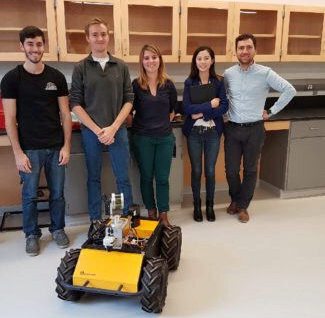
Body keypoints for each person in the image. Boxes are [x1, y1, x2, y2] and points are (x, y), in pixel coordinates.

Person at [1, 26, 71, 256]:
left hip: (55, 146)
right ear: (22, 46)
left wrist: (67, 146)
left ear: (44, 46)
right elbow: (10, 119)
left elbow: (65, 114)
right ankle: (31, 234)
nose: (35, 49)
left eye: (39, 44)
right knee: (30, 194)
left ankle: (58, 229)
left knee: (58, 193)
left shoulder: (56, 77)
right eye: (30, 44)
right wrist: (18, 153)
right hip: (29, 148)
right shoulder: (12, 79)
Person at [70, 18, 134, 235]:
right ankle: (96, 221)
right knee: (94, 177)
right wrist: (99, 131)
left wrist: (114, 127)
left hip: (118, 130)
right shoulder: (80, 68)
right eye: (95, 34)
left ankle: (125, 219)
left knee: (122, 176)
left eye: (103, 34)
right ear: (88, 38)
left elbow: (129, 99)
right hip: (91, 133)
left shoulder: (121, 66)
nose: (100, 38)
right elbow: (75, 103)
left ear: (109, 36)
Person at [223, 33, 296, 223]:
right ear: (236, 51)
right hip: (232, 128)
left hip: (255, 129)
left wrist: (271, 111)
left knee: (250, 169)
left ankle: (243, 206)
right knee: (231, 170)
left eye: (248, 47)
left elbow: (290, 90)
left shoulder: (265, 73)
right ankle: (235, 200)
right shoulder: (228, 74)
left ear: (255, 49)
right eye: (241, 48)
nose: (245, 51)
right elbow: (222, 98)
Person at [129, 44, 176, 226]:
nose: (151, 61)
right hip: (143, 139)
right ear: (142, 61)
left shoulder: (168, 84)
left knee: (163, 178)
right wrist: (142, 128)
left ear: (159, 60)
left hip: (165, 138)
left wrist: (161, 125)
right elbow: (129, 113)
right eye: (147, 58)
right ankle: (151, 211)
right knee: (147, 177)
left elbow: (172, 111)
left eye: (154, 57)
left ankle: (163, 215)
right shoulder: (135, 85)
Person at [182, 46, 229, 222]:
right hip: (194, 132)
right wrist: (210, 105)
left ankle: (209, 205)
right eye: (199, 58)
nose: (203, 61)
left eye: (206, 58)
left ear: (212, 60)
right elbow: (186, 108)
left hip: (213, 133)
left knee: (209, 171)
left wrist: (201, 113)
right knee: (196, 170)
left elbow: (224, 106)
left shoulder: (218, 82)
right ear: (195, 61)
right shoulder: (189, 82)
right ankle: (196, 205)